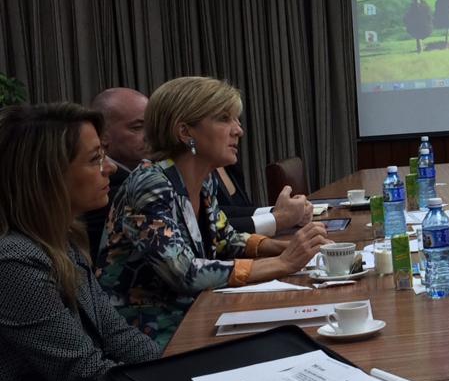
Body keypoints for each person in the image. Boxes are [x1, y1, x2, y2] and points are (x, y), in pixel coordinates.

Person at [97, 77, 331, 345]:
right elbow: (183, 272)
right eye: (224, 119)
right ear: (185, 132)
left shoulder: (202, 177)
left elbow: (225, 239)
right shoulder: (150, 183)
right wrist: (284, 263)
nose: (238, 131)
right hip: (153, 336)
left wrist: (294, 249)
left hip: (196, 315)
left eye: (236, 120)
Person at [0, 103, 160, 381]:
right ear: (48, 176)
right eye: (94, 159)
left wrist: (183, 372)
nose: (111, 168)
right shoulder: (12, 260)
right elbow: (81, 373)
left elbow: (117, 335)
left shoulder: (59, 240)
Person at [83, 88, 149, 258]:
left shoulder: (145, 173)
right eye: (138, 127)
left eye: (151, 126)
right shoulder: (105, 187)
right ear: (102, 135)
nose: (149, 136)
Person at [213, 161, 313, 235]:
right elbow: (215, 227)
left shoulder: (231, 165)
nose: (239, 132)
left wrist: (283, 212)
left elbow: (234, 212)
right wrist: (277, 219)